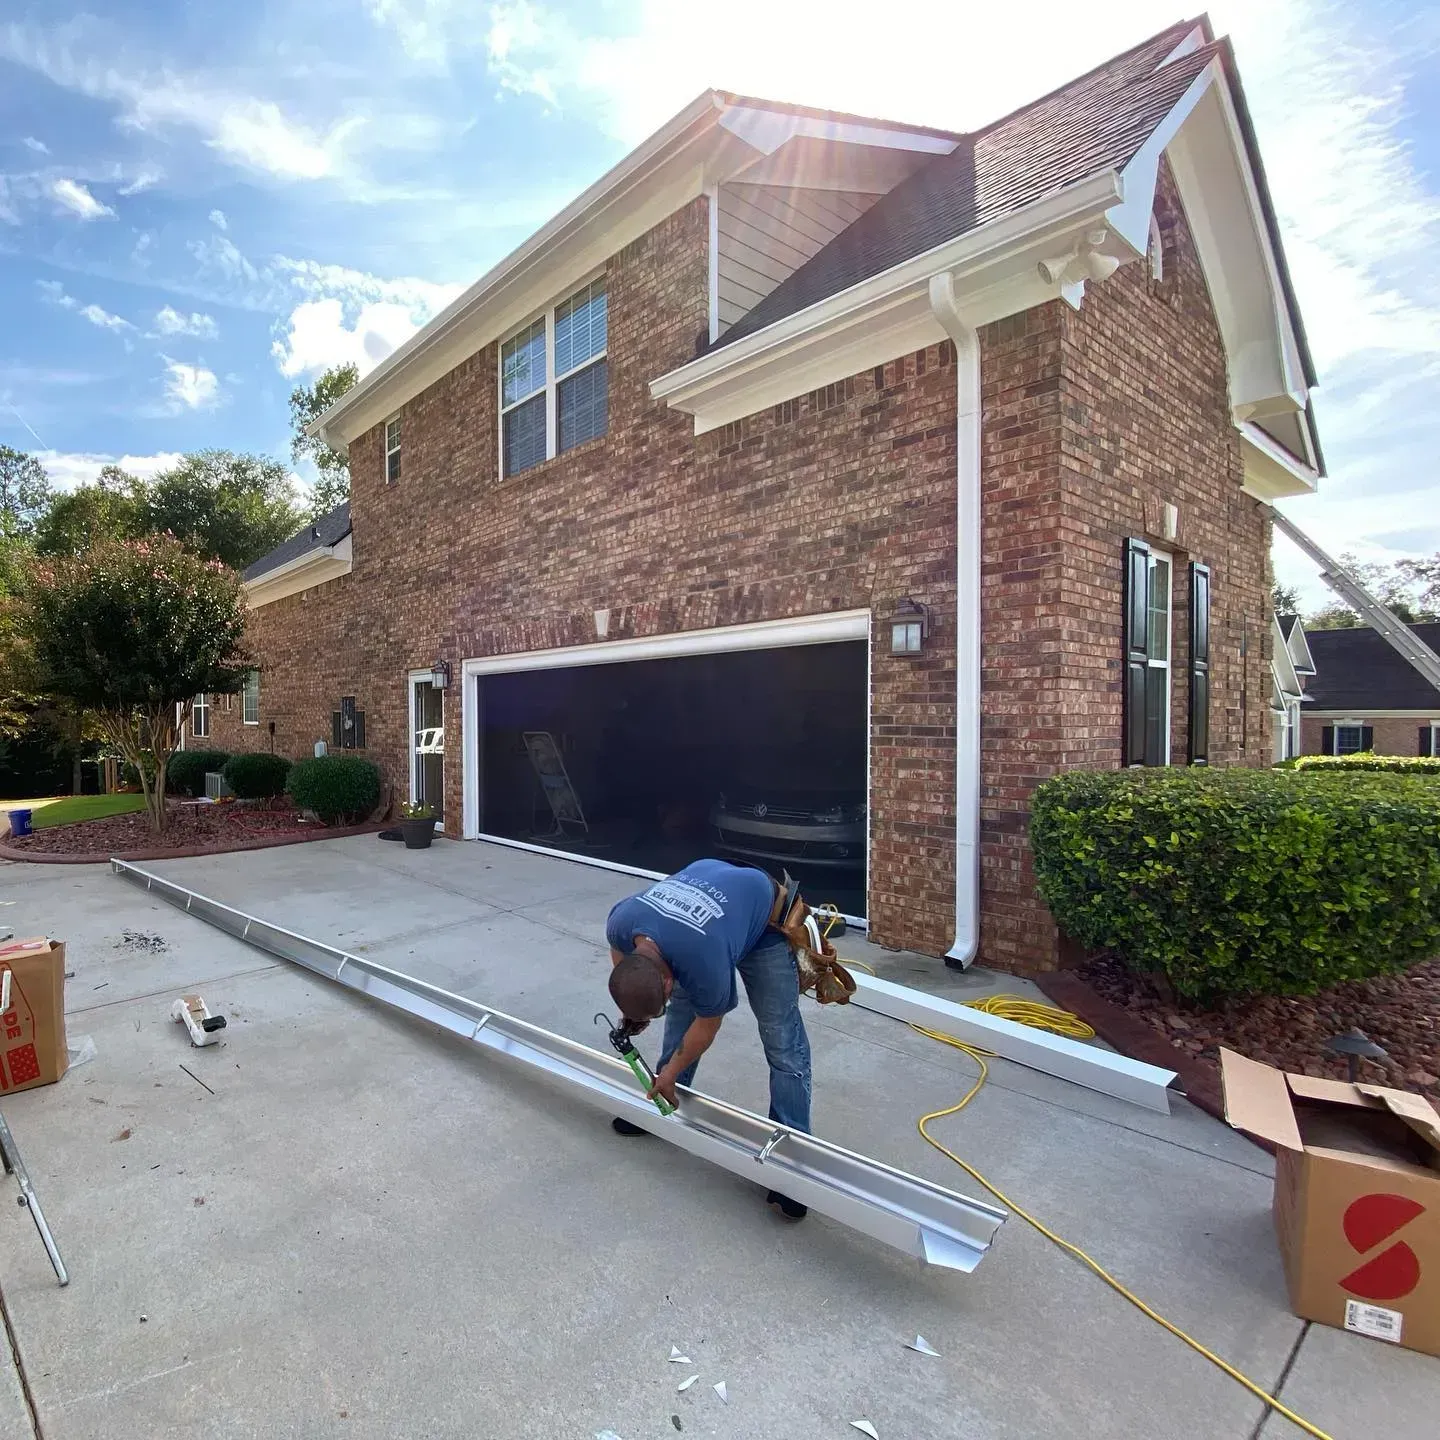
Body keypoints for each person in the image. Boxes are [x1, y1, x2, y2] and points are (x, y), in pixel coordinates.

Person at [604, 858, 811, 1221]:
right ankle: (664, 1101)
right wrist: (634, 1013)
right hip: (711, 902)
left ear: (668, 982)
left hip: (766, 922)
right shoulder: (621, 922)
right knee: (681, 1016)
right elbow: (623, 966)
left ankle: (790, 1159)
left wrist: (667, 1072)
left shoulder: (704, 959)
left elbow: (707, 1027)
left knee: (781, 1040)